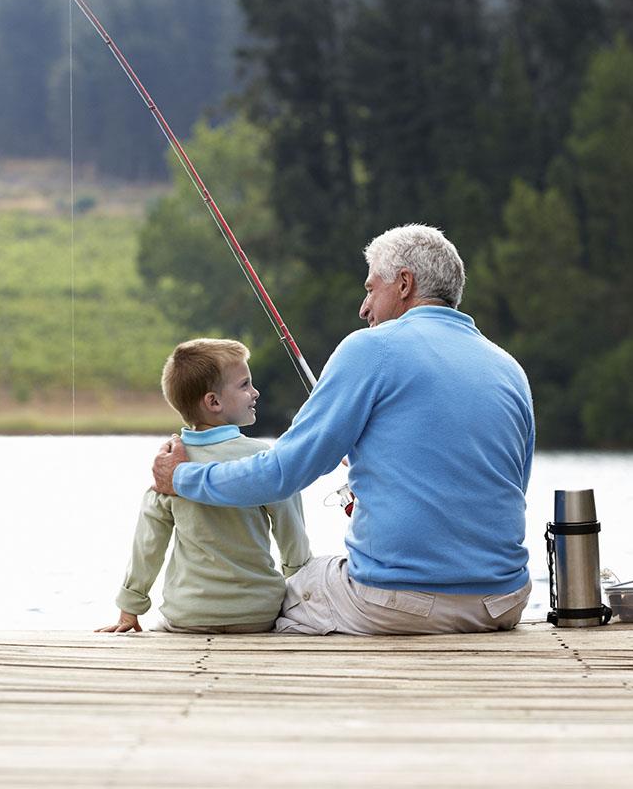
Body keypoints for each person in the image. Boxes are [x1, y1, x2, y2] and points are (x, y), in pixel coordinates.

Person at [152, 224, 535, 636]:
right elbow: (507, 486)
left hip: (398, 603)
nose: (363, 308)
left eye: (371, 289)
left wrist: (183, 477)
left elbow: (281, 474)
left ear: (404, 284)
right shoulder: (509, 368)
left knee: (281, 599)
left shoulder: (370, 348)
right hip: (503, 602)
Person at [98, 338, 311, 634]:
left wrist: (129, 609)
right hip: (257, 613)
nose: (255, 392)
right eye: (245, 385)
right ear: (213, 402)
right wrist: (299, 582)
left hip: (188, 615)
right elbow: (291, 532)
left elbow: (148, 542)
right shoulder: (261, 460)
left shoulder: (168, 466)